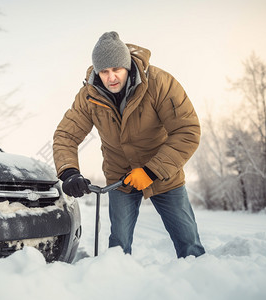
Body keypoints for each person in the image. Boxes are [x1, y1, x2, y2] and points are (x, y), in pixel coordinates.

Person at [53, 31, 205, 258]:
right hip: (120, 178)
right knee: (118, 244)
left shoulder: (159, 83)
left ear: (127, 66)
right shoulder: (89, 96)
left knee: (188, 242)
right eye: (104, 71)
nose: (111, 77)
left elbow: (187, 130)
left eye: (117, 69)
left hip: (164, 174)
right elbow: (66, 135)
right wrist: (69, 172)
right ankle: (117, 286)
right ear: (97, 71)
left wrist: (152, 171)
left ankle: (200, 282)